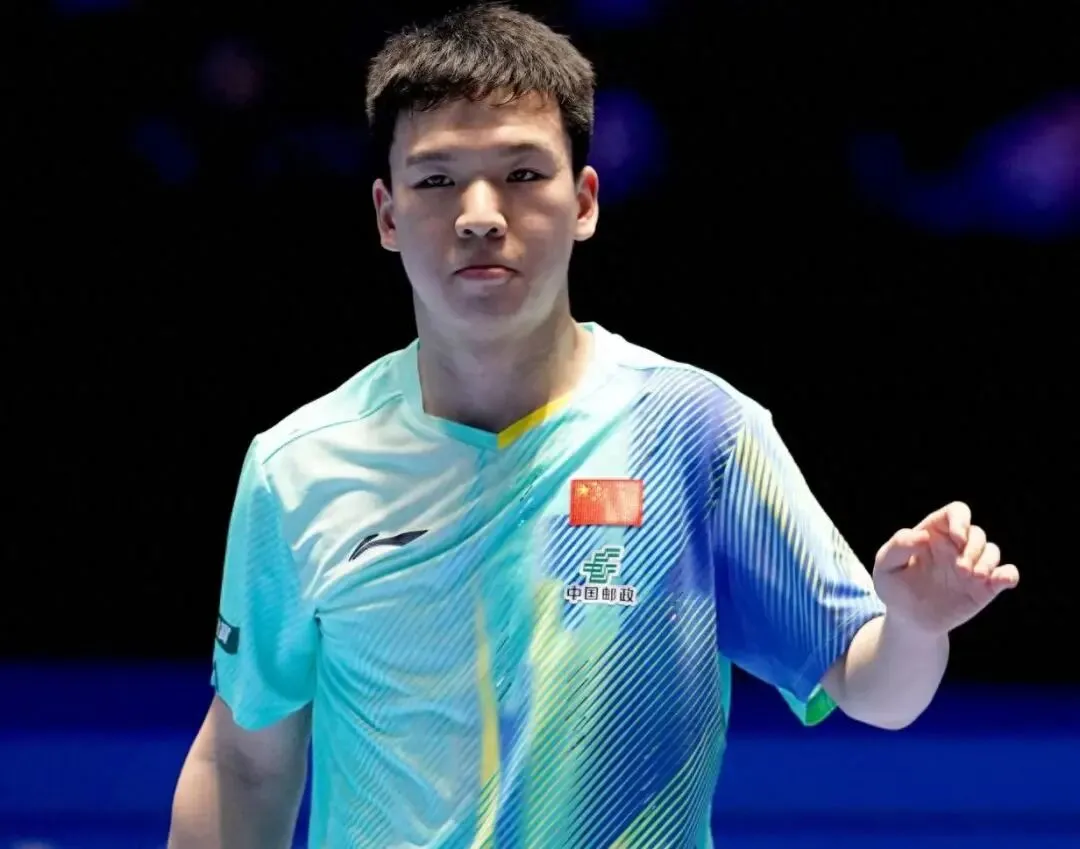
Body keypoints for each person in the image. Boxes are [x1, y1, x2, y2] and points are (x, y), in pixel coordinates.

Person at [166, 5, 1020, 848]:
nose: (479, 213)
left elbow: (876, 688)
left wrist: (915, 625)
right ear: (388, 216)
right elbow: (243, 762)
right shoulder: (300, 465)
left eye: (521, 173)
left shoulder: (693, 432)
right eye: (436, 179)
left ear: (583, 201)